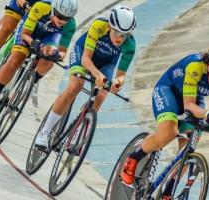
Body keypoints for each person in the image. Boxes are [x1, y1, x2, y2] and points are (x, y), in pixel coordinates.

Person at [120, 42, 209, 199]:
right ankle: (133, 158)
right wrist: (207, 114)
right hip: (168, 90)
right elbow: (189, 105)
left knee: (189, 145)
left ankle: (168, 190)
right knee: (169, 132)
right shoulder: (195, 67)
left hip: (193, 97)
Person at [33, 5, 137, 151]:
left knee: (100, 96)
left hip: (106, 64)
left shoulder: (130, 45)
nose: (120, 38)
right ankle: (45, 131)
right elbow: (86, 60)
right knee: (75, 86)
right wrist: (99, 76)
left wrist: (117, 83)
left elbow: (121, 75)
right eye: (117, 32)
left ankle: (75, 134)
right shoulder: (98, 26)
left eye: (125, 35)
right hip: (83, 54)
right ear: (109, 26)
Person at [0, 0, 78, 117]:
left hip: (50, 37)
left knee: (49, 61)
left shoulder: (70, 25)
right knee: (16, 59)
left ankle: (30, 82)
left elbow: (63, 52)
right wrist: (32, 42)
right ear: (53, 9)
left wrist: (56, 55)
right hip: (30, 32)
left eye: (66, 19)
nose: (62, 21)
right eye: (59, 16)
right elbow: (25, 34)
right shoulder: (41, 7)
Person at [0, 0, 47, 76]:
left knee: (34, 41)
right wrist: (24, 3)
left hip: (40, 12)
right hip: (24, 3)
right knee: (7, 29)